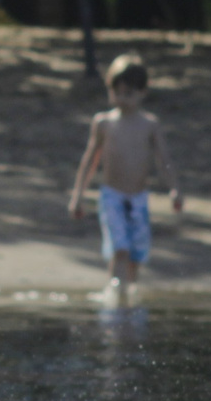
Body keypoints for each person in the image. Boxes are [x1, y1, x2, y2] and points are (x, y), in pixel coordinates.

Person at [64, 53, 184, 299]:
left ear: (143, 92)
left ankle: (128, 295)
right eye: (117, 92)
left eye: (128, 93)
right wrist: (78, 196)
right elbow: (90, 161)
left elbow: (164, 160)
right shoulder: (104, 123)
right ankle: (114, 293)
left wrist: (175, 189)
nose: (122, 98)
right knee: (120, 248)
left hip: (139, 198)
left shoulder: (150, 125)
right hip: (112, 197)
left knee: (136, 254)